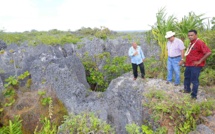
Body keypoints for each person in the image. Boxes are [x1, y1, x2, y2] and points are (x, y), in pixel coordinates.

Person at [180, 30, 211, 99]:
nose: (190, 37)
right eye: (189, 35)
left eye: (192, 35)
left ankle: (194, 96)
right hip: (189, 64)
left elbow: (208, 52)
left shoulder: (199, 42)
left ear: (196, 35)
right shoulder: (191, 43)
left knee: (194, 80)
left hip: (195, 66)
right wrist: (185, 62)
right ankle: (187, 90)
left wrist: (199, 61)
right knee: (187, 77)